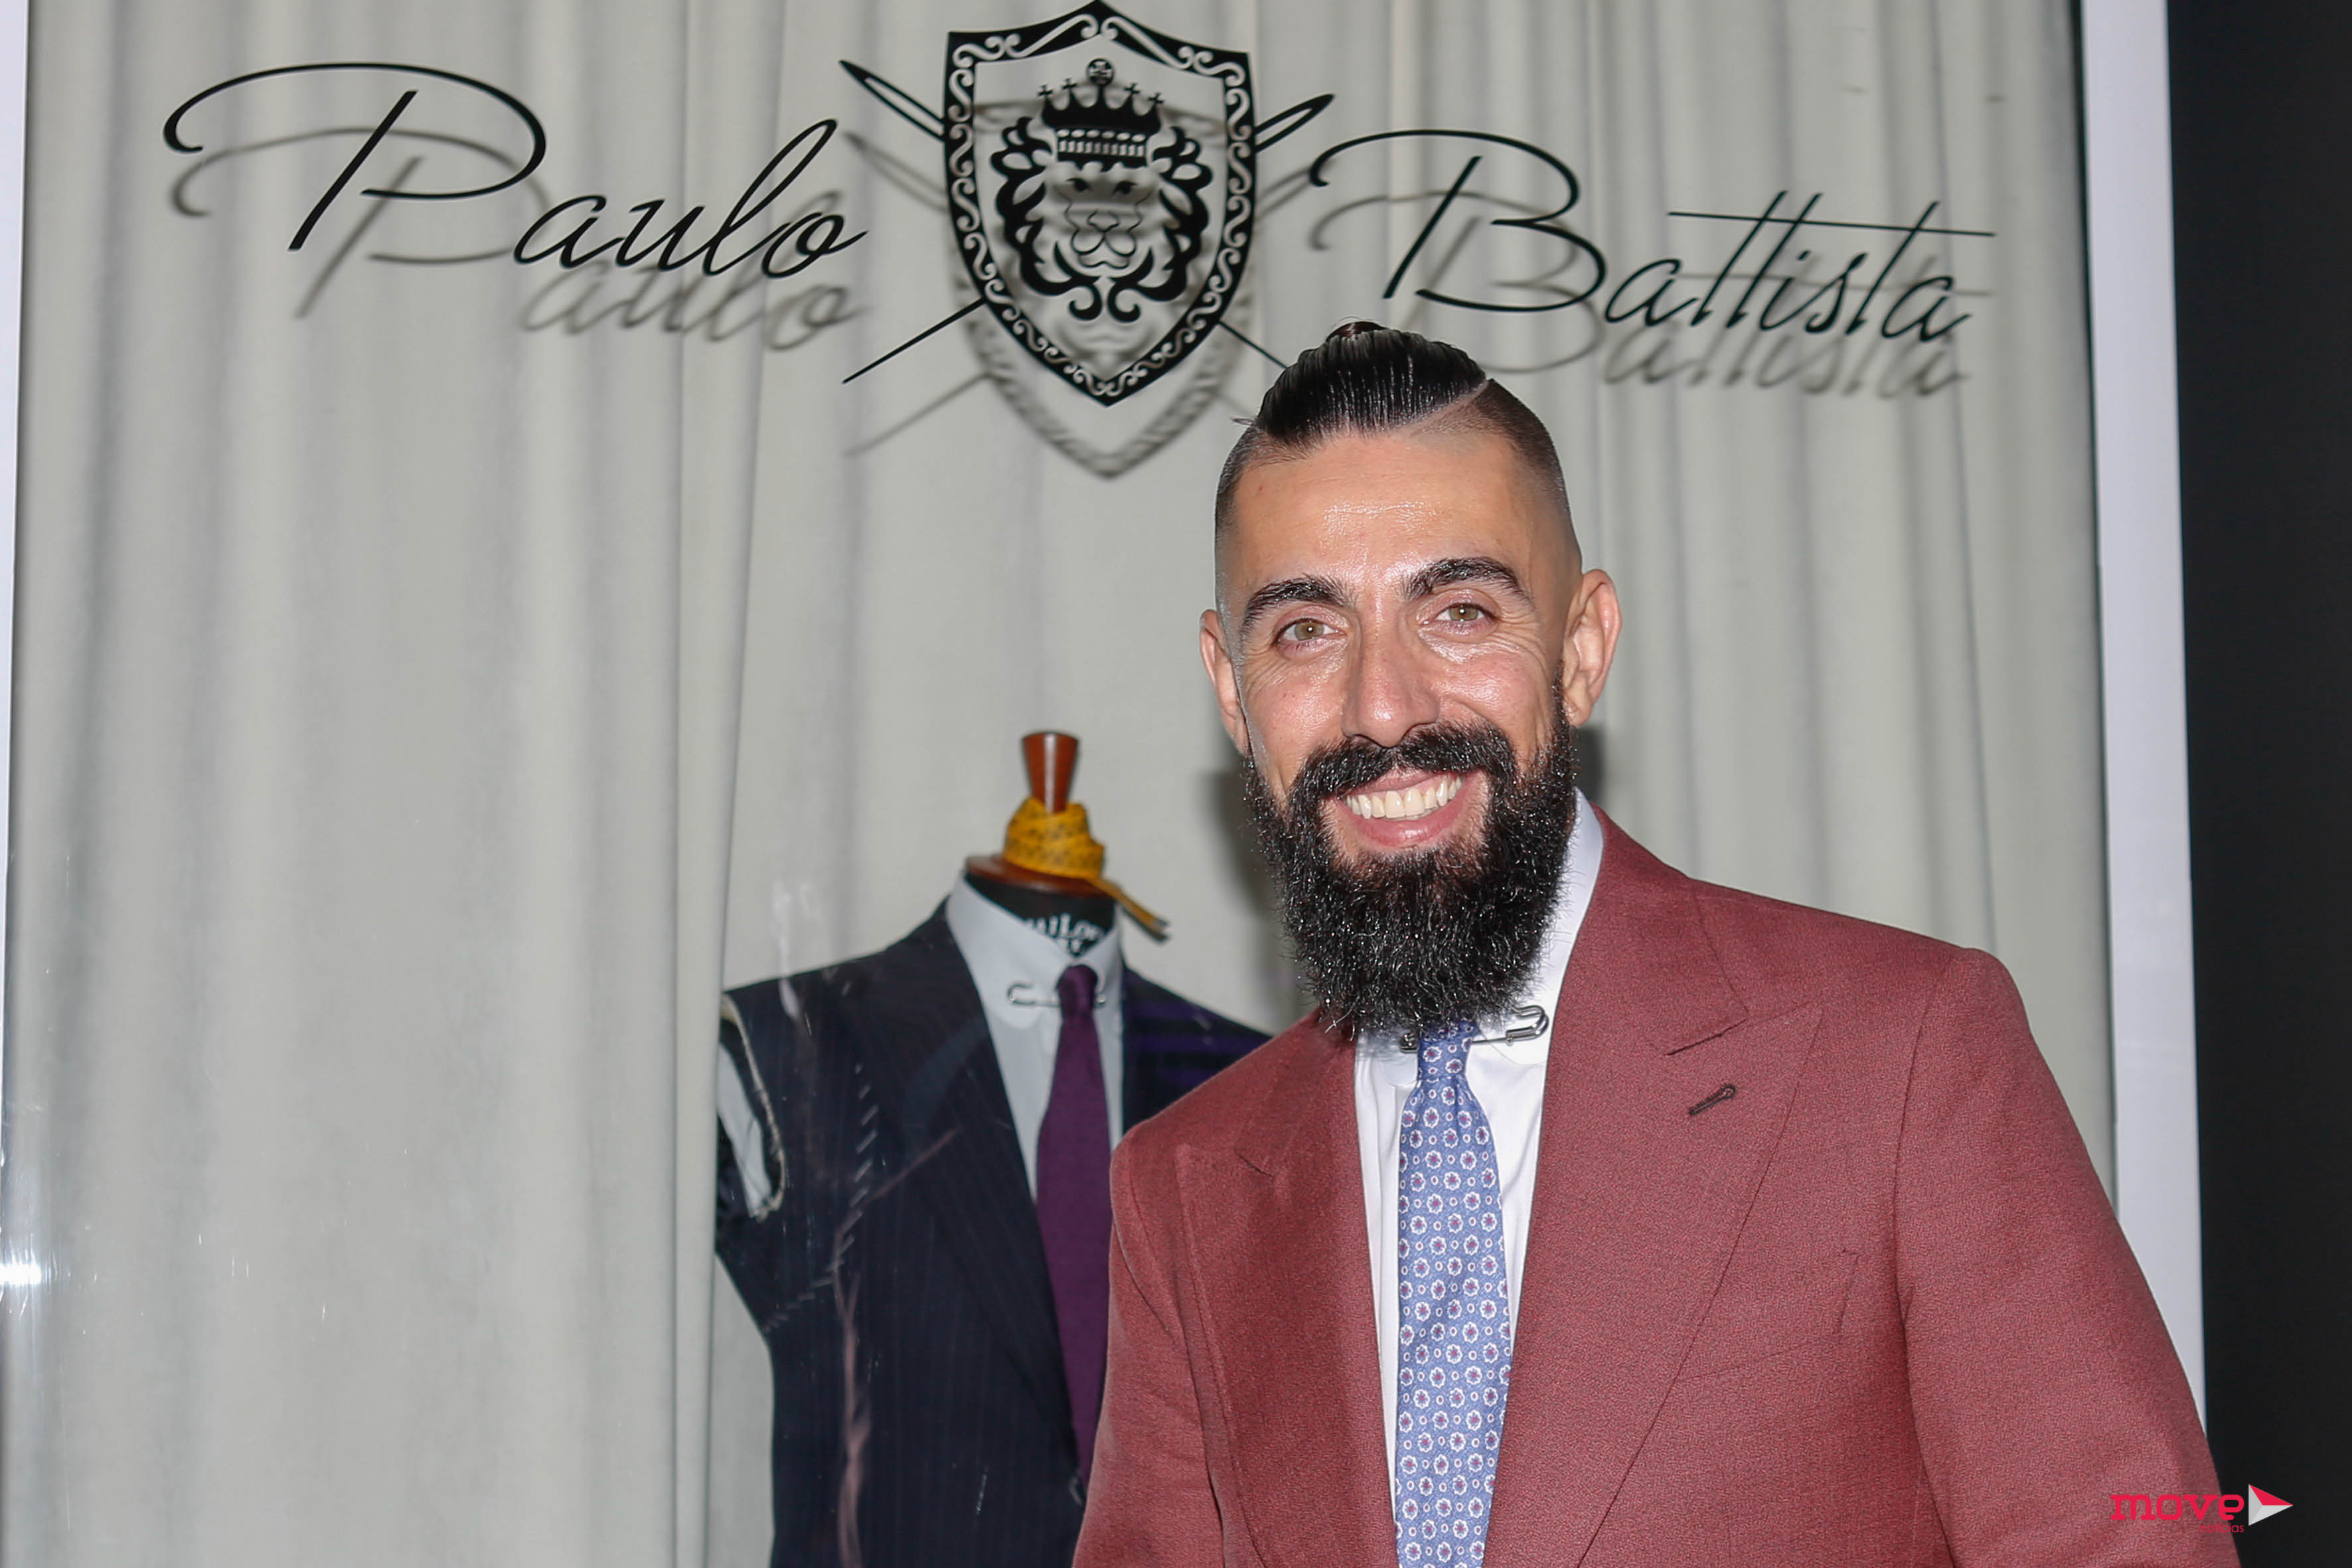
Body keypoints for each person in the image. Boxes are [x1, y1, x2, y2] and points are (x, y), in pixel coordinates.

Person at [1071, 323, 2227, 1567]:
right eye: (1306, 629)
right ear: (1232, 688)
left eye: (1458, 611)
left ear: (1581, 648)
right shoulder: (1183, 1185)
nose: (1383, 705)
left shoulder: (1903, 1053)